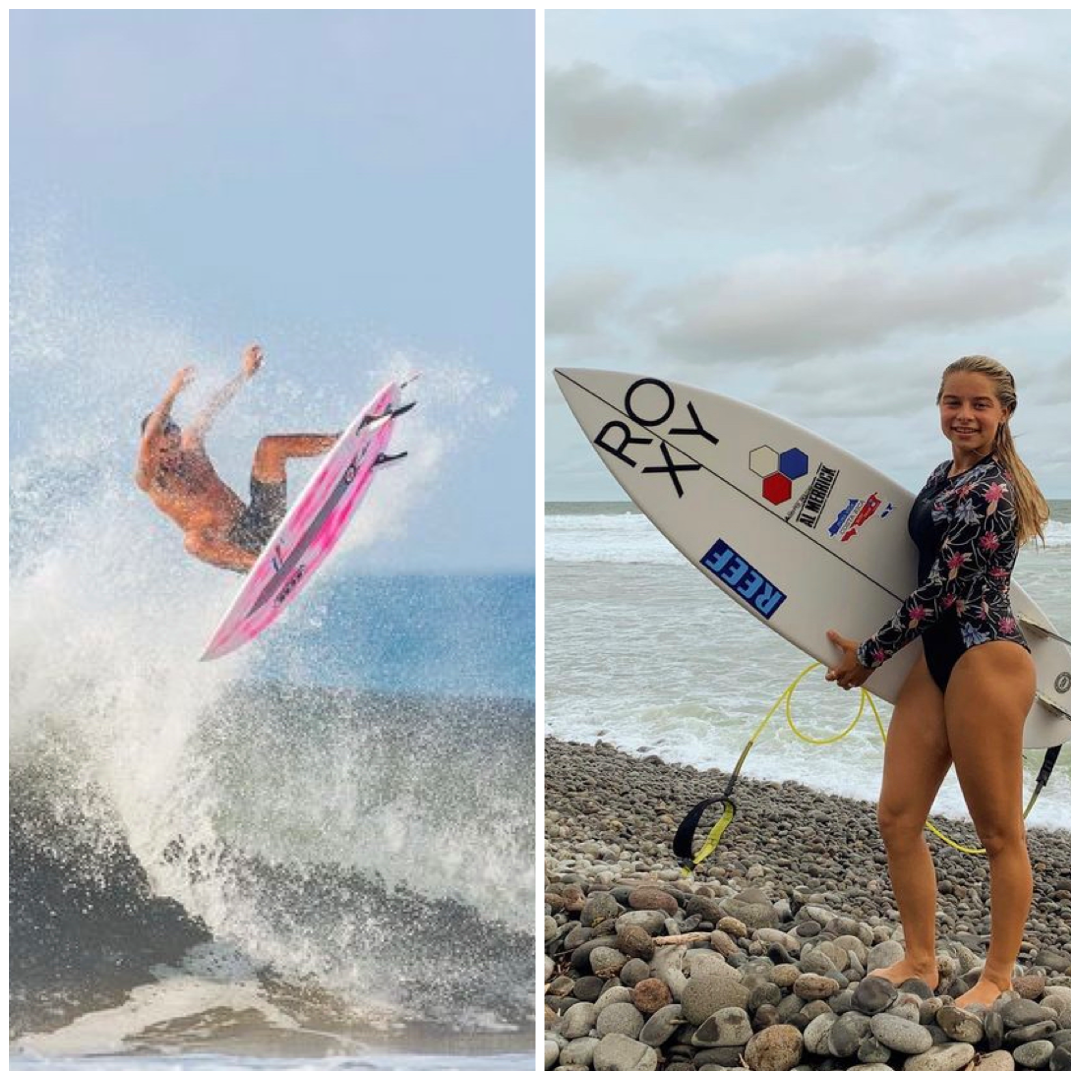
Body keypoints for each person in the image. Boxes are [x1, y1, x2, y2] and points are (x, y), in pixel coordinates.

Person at [825, 355, 1049, 1010]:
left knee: (998, 834)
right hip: (938, 656)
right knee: (897, 816)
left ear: (1005, 412)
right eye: (953, 402)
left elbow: (944, 591)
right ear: (940, 406)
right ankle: (920, 959)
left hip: (986, 659)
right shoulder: (942, 475)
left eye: (980, 404)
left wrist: (870, 654)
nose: (965, 415)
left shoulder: (993, 491)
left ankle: (997, 977)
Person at [136, 344, 339, 573]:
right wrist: (172, 393)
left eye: (174, 446)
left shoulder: (191, 447)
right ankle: (265, 568)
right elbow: (149, 439)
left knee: (270, 447)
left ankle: (340, 442)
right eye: (163, 452)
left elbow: (213, 405)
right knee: (193, 543)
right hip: (235, 549)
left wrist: (244, 374)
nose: (172, 454)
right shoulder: (151, 479)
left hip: (259, 521)